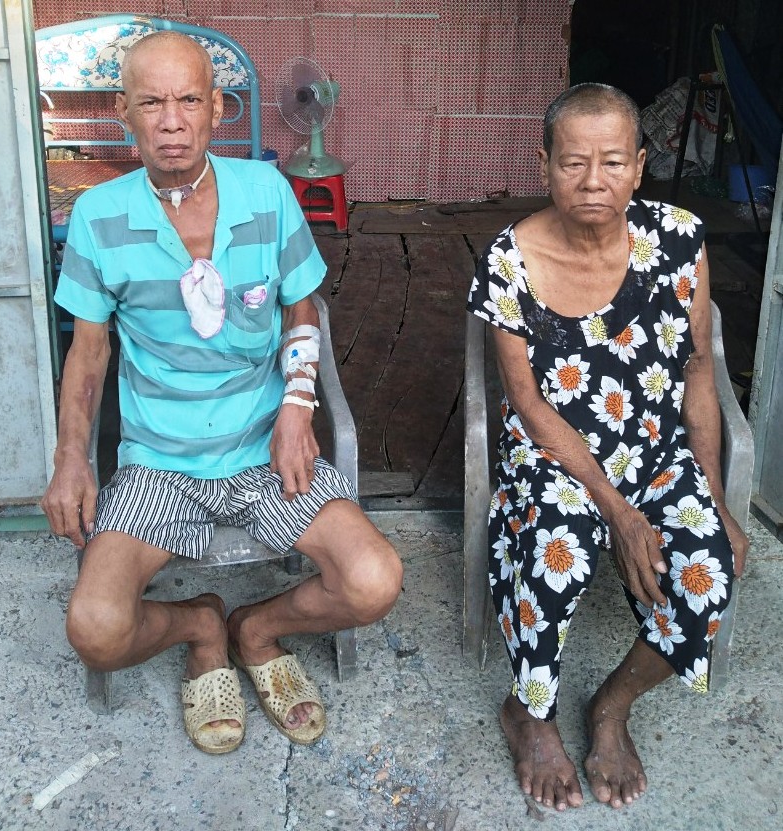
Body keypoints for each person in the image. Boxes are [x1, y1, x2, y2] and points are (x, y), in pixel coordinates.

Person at [41, 31, 403, 755]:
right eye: (151, 103)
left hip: (265, 449)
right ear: (123, 113)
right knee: (96, 630)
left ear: (215, 108)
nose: (172, 122)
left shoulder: (266, 192)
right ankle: (199, 625)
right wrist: (72, 457)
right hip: (158, 462)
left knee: (373, 581)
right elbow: (88, 352)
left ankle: (256, 629)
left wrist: (296, 408)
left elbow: (302, 308)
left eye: (188, 101)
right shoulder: (97, 216)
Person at [466, 83, 748, 811]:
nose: (594, 180)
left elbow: (697, 371)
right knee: (555, 549)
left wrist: (714, 497)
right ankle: (530, 713)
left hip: (653, 449)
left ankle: (613, 705)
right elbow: (528, 403)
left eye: (613, 162)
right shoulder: (508, 260)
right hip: (553, 456)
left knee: (711, 566)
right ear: (545, 165)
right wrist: (618, 512)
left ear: (639, 166)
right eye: (574, 162)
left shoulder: (679, 240)